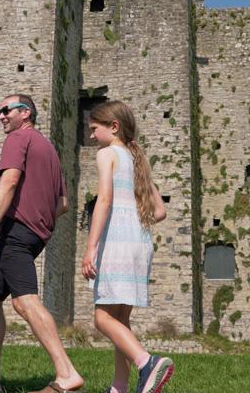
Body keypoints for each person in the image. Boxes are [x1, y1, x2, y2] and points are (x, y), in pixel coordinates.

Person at [0, 94, 82, 393]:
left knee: (24, 300)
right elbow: (64, 204)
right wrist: (40, 223)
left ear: (25, 113)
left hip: (17, 232)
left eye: (6, 110)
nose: (1, 116)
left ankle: (66, 373)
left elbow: (10, 182)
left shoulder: (19, 139)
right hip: (33, 234)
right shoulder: (49, 149)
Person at [81, 101, 172, 393]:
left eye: (95, 129)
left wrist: (90, 247)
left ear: (114, 127)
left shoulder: (107, 154)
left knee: (102, 318)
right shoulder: (137, 159)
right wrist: (133, 218)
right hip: (139, 242)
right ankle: (119, 386)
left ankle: (147, 362)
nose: (92, 136)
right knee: (121, 318)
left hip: (116, 242)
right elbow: (159, 211)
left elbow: (104, 200)